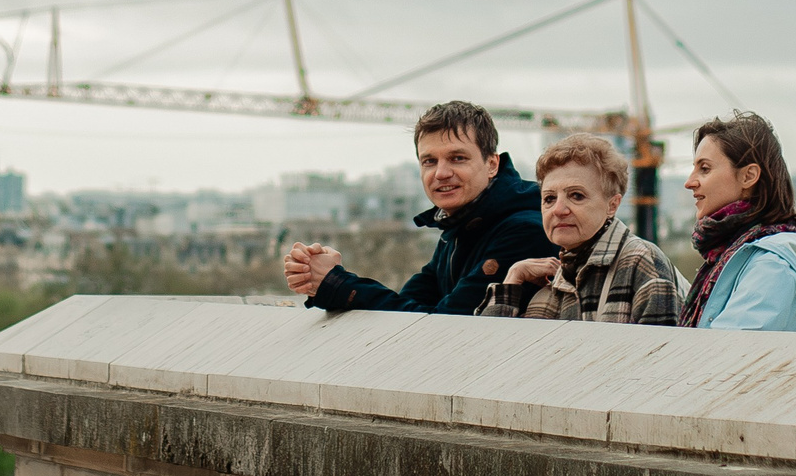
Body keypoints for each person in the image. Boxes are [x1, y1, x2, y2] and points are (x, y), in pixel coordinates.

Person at [283, 100, 555, 313]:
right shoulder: (460, 227)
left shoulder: (524, 230)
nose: (441, 173)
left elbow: (443, 325)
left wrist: (337, 283)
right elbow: (406, 309)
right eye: (429, 161)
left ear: (492, 164)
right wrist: (323, 280)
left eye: (457, 158)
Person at [475, 132, 682, 324]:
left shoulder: (642, 263)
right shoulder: (551, 285)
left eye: (576, 196)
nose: (558, 209)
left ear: (613, 205)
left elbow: (661, 357)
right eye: (549, 198)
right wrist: (512, 280)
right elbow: (489, 354)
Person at [680, 111, 796, 331]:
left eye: (704, 169)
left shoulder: (772, 266)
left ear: (748, 176)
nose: (689, 182)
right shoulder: (732, 255)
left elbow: (727, 354)